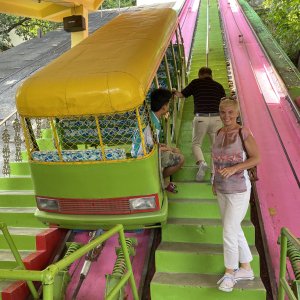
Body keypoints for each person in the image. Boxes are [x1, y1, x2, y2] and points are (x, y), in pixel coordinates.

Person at [211, 98, 260, 292]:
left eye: (230, 112)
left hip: (239, 188)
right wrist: (214, 180)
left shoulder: (243, 132)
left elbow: (257, 158)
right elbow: (215, 158)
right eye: (223, 112)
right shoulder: (218, 132)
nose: (226, 116)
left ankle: (230, 273)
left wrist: (235, 168)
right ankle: (246, 268)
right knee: (233, 227)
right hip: (222, 188)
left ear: (237, 112)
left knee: (229, 231)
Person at [173, 67, 226, 181]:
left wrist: (173, 91)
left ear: (199, 75)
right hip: (217, 118)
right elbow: (224, 103)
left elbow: (181, 95)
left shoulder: (196, 83)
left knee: (196, 144)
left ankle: (202, 162)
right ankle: (213, 175)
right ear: (211, 75)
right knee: (215, 147)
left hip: (201, 117)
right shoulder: (218, 86)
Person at [131, 88, 184, 193]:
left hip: (141, 150)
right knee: (180, 158)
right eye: (168, 104)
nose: (169, 106)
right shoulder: (153, 124)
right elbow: (152, 149)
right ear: (164, 107)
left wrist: (167, 147)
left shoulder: (150, 116)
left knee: (174, 150)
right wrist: (169, 149)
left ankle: (161, 178)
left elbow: (153, 143)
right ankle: (159, 179)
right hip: (142, 155)